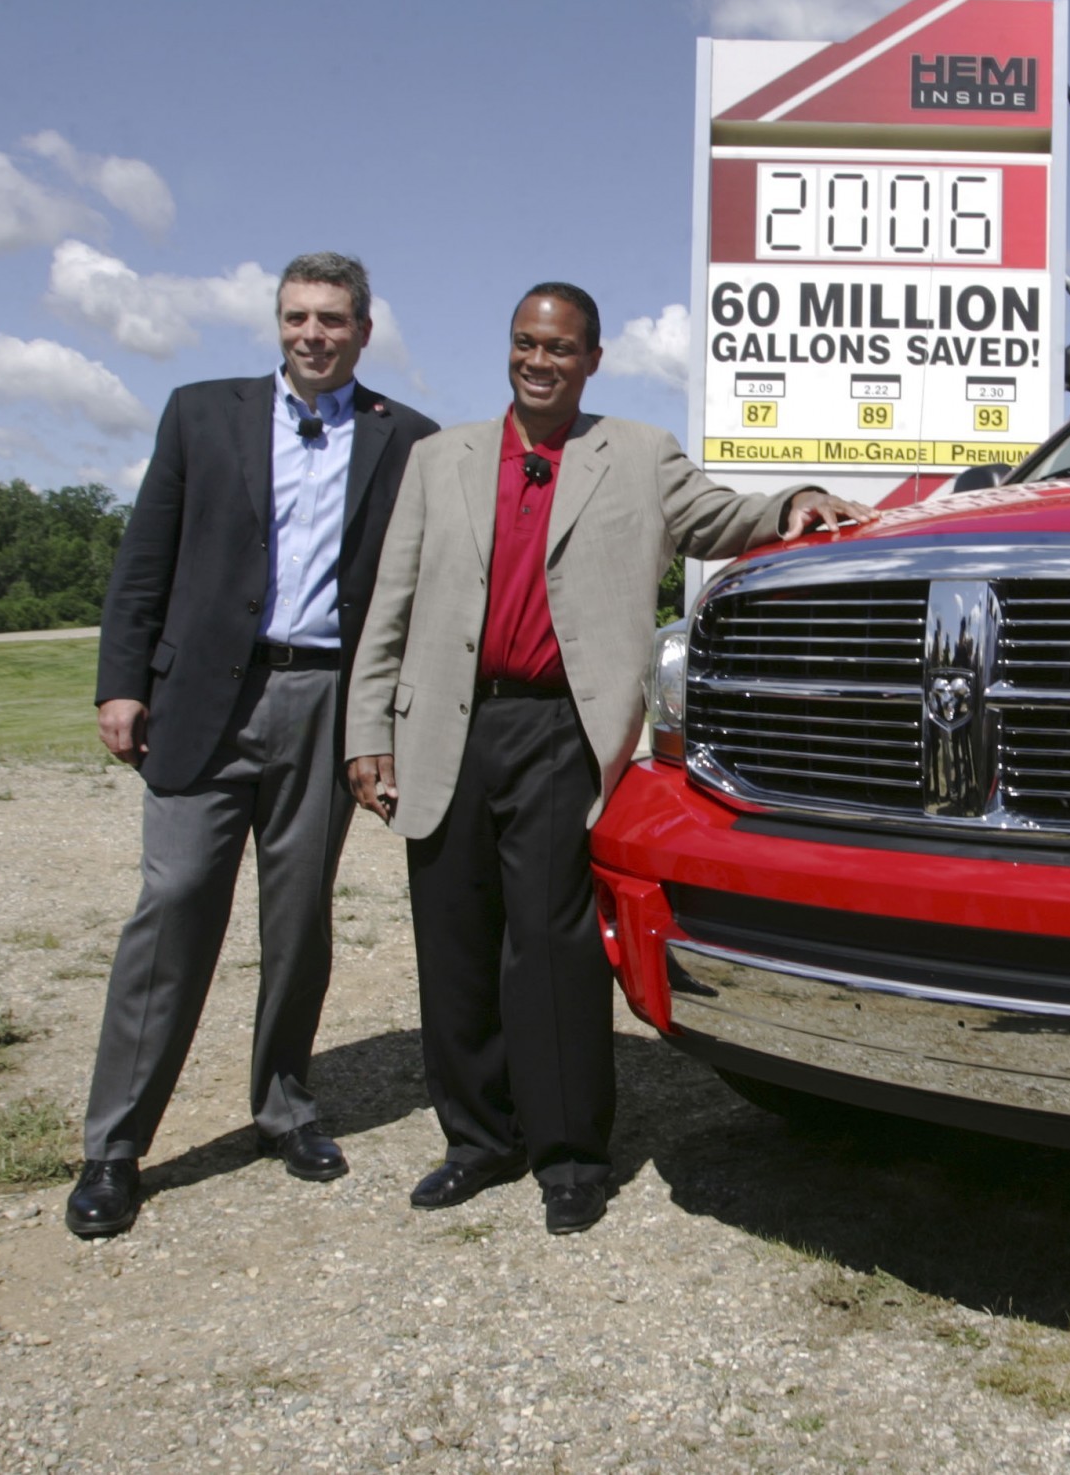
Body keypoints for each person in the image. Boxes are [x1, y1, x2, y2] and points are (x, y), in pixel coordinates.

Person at [344, 281, 870, 1234]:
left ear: (591, 359)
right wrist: (367, 731)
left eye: (559, 347)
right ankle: (478, 1139)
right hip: (445, 727)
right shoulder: (438, 459)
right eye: (525, 342)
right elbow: (391, 602)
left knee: (553, 947)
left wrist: (794, 501)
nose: (538, 360)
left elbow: (719, 516)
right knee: (453, 941)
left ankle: (570, 1156)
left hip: (561, 730)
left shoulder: (635, 452)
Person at [68, 253, 440, 1239]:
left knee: (298, 916)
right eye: (296, 316)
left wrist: (392, 721)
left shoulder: (407, 438)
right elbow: (144, 557)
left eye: (331, 319)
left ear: (364, 331)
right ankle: (114, 1145)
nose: (312, 334)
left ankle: (284, 1105)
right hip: (202, 699)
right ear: (278, 323)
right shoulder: (200, 413)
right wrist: (120, 680)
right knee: (174, 902)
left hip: (325, 698)